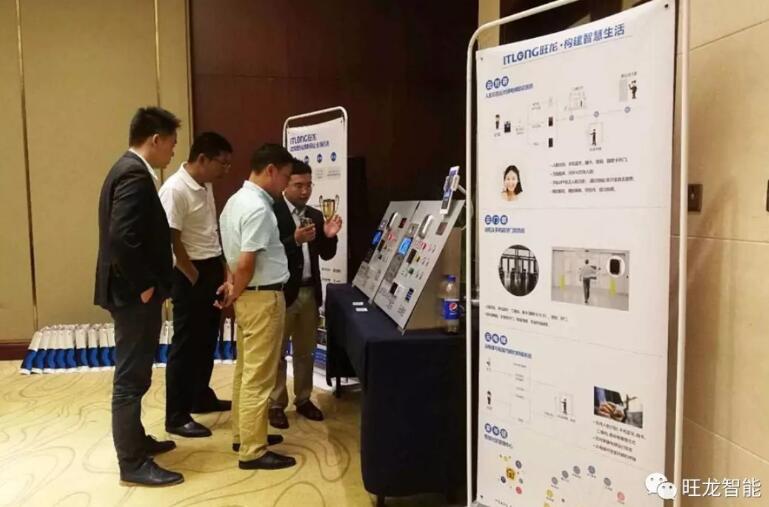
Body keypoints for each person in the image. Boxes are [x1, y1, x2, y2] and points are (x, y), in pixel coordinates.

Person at [94, 106, 183, 486]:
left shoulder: (127, 169)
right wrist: (146, 284)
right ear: (156, 139)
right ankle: (131, 463)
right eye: (172, 144)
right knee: (130, 379)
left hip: (131, 292)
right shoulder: (133, 173)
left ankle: (137, 440)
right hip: (134, 295)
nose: (173, 152)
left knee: (137, 373)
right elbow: (122, 237)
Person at [219, 143, 296, 470]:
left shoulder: (234, 202)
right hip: (262, 298)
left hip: (248, 297)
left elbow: (232, 258)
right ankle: (252, 450)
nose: (286, 185)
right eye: (286, 177)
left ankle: (244, 434)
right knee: (259, 377)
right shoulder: (258, 208)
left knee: (245, 370)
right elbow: (246, 262)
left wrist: (232, 289)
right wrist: (235, 290)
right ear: (270, 171)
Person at [159, 132, 234, 439]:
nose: (225, 170)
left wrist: (222, 269)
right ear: (202, 158)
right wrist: (193, 275)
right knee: (185, 345)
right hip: (190, 273)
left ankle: (200, 396)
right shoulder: (175, 189)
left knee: (206, 339)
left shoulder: (206, 185)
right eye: (222, 163)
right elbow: (171, 239)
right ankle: (176, 415)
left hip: (210, 267)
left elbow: (209, 231)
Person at [268, 160, 342, 429]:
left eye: (309, 185)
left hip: (310, 291)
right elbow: (269, 252)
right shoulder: (272, 212)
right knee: (277, 352)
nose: (305, 191)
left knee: (305, 351)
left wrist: (330, 236)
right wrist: (295, 240)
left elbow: (327, 254)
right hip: (282, 292)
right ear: (285, 184)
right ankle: (276, 404)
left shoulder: (315, 214)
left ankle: (303, 399)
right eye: (298, 185)